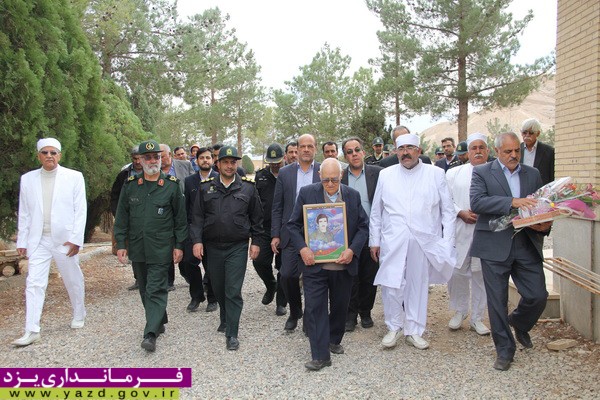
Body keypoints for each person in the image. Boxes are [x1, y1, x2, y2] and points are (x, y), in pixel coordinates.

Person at [470, 132, 551, 371]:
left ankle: (519, 322)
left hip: (526, 243)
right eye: (508, 151)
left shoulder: (533, 174)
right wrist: (512, 202)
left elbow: (541, 206)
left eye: (517, 150)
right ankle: (505, 350)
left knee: (538, 295)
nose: (514, 155)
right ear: (497, 152)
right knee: (497, 302)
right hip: (493, 245)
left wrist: (545, 225)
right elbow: (477, 202)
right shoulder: (482, 172)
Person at [370, 133, 456, 350]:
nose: (405, 153)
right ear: (396, 151)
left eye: (410, 148)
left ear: (419, 151)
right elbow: (376, 211)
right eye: (401, 149)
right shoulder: (386, 175)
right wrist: (374, 240)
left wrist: (447, 242)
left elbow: (448, 211)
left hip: (423, 240)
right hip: (393, 239)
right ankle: (394, 327)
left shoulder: (435, 174)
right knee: (391, 283)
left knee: (417, 284)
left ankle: (414, 330)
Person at [288, 158, 369, 371]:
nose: (330, 184)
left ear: (341, 176)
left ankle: (333, 339)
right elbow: (293, 225)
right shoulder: (307, 193)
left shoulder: (352, 196)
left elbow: (363, 227)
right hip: (314, 266)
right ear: (319, 177)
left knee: (340, 306)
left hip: (343, 265)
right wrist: (303, 248)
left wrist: (352, 250)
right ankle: (320, 355)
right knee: (315, 308)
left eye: (334, 179)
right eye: (326, 180)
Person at [114, 140, 187, 352]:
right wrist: (121, 243)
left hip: (161, 247)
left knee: (155, 288)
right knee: (145, 288)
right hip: (138, 247)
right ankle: (159, 318)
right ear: (141, 160)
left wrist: (179, 245)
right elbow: (122, 217)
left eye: (156, 156)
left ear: (161, 158)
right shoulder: (130, 186)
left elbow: (180, 219)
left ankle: (150, 333)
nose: (153, 161)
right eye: (148, 157)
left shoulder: (172, 185)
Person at [13, 138, 87, 347]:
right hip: (39, 239)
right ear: (39, 156)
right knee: (34, 283)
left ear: (59, 155)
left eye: (53, 152)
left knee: (72, 278)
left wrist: (76, 239)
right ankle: (32, 329)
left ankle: (79, 313)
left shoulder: (74, 177)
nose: (49, 156)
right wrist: (22, 239)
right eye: (45, 152)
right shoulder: (27, 179)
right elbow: (24, 212)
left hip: (65, 239)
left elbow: (80, 210)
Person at [191, 145, 263, 351]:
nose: (230, 166)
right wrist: (197, 241)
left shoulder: (248, 188)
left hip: (237, 247)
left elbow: (257, 218)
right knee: (218, 287)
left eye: (233, 162)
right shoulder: (205, 188)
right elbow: (197, 218)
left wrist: (256, 242)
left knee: (232, 290)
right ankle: (225, 316)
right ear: (218, 164)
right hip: (212, 247)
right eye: (225, 162)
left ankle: (232, 333)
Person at [271, 134, 321, 332]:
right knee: (287, 275)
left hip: (317, 233)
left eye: (310, 146)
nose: (306, 149)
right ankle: (294, 311)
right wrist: (275, 234)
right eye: (303, 146)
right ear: (297, 149)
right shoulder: (285, 173)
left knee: (312, 279)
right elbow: (277, 205)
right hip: (291, 232)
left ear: (315, 148)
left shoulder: (322, 171)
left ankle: (310, 318)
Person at [445, 133, 491, 336]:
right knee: (457, 273)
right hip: (460, 230)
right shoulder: (454, 173)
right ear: (468, 152)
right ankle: (460, 311)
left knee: (481, 275)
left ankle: (477, 318)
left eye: (482, 147)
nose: (478, 151)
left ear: (487, 151)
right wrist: (460, 212)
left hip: (486, 232)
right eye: (474, 148)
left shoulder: (496, 173)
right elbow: (445, 199)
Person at [341, 137, 383, 332]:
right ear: (345, 156)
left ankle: (365, 312)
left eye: (357, 150)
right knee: (350, 277)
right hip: (348, 235)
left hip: (372, 234)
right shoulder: (340, 177)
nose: (354, 154)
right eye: (349, 152)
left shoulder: (378, 173)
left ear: (363, 152)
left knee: (369, 276)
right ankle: (350, 316)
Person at [181, 147, 218, 312]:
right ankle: (196, 295)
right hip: (193, 228)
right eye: (202, 158)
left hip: (212, 229)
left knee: (211, 266)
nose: (205, 160)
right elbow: (186, 206)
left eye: (208, 157)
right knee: (189, 262)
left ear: (212, 160)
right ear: (196, 161)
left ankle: (212, 298)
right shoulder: (189, 181)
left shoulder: (218, 178)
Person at [253, 143, 287, 316]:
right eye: (272, 162)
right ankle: (270, 284)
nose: (275, 165)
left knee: (284, 267)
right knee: (259, 261)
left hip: (285, 227)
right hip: (265, 228)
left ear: (284, 158)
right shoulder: (260, 176)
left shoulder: (289, 175)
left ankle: (281, 302)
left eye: (278, 162)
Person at [160, 144, 195, 291]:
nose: (160, 159)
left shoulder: (185, 165)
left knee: (183, 244)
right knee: (167, 246)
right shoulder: (154, 171)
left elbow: (194, 185)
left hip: (184, 212)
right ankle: (169, 281)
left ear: (170, 155)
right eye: (158, 157)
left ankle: (186, 272)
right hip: (165, 215)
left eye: (162, 156)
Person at [109, 144, 142, 289]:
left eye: (140, 158)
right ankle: (139, 278)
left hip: (148, 216)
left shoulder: (152, 172)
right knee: (134, 248)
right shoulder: (124, 174)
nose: (138, 162)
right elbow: (115, 195)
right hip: (130, 217)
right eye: (135, 159)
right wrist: (118, 214)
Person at [519, 118, 555, 185]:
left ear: (538, 133)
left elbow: (552, 177)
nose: (527, 135)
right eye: (524, 132)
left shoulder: (549, 152)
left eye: (531, 133)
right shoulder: (516, 150)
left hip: (540, 189)